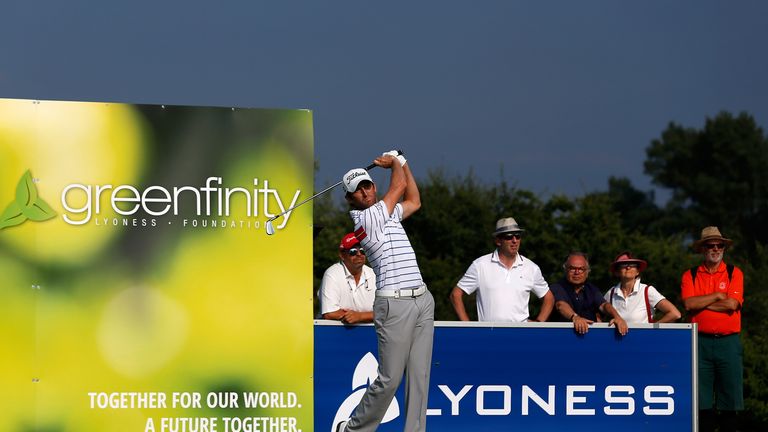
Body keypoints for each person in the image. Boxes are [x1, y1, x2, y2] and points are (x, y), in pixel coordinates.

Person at [336, 151, 435, 432]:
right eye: (358, 190)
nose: (365, 192)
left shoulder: (388, 213)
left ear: (373, 186)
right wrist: (394, 163)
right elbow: (399, 186)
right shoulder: (366, 219)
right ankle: (353, 429)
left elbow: (414, 200)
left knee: (419, 376)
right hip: (394, 305)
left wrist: (403, 162)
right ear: (350, 198)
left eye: (367, 185)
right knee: (389, 379)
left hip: (422, 299)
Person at [681, 227, 744, 432]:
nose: (716, 249)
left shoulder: (734, 272)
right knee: (701, 402)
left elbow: (732, 304)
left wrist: (701, 303)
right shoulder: (690, 275)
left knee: (730, 401)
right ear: (702, 249)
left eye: (720, 245)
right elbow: (689, 304)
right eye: (710, 245)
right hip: (699, 342)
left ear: (724, 248)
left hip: (728, 342)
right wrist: (717, 296)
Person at [450, 217, 554, 322]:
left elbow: (549, 298)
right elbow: (456, 295)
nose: (514, 240)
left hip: (520, 332)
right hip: (489, 332)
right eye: (509, 237)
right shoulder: (480, 265)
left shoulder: (531, 268)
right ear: (498, 241)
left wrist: (538, 324)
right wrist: (468, 327)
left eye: (518, 236)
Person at [549, 252, 628, 335]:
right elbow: (560, 305)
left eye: (581, 269)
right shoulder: (557, 287)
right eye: (572, 268)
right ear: (565, 269)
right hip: (561, 336)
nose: (577, 272)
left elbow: (604, 305)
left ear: (587, 272)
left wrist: (617, 317)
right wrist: (575, 317)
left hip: (589, 338)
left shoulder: (592, 289)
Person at [604, 251, 681, 324]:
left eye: (632, 265)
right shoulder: (611, 293)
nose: (628, 267)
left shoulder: (647, 291)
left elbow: (675, 314)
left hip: (645, 334)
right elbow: (598, 314)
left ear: (637, 272)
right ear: (617, 272)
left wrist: (653, 328)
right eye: (624, 264)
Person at [319, 233, 377, 324]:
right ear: (342, 255)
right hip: (334, 331)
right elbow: (329, 313)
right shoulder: (332, 274)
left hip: (369, 331)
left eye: (363, 250)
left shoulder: (374, 274)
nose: (359, 254)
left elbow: (386, 313)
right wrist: (370, 315)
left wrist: (360, 316)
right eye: (353, 251)